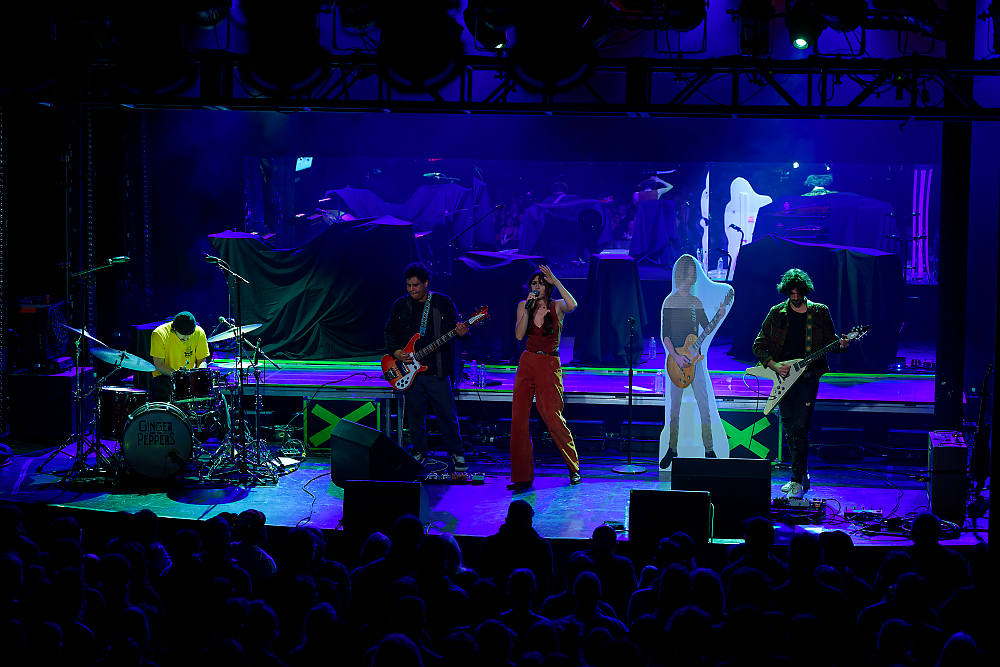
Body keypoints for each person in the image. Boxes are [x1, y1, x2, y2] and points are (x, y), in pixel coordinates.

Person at [753, 269, 849, 499]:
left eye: (798, 293)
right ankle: (801, 475)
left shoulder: (820, 312)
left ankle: (796, 480)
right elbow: (759, 344)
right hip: (784, 378)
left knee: (799, 429)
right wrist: (774, 366)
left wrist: (842, 345)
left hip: (808, 377)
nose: (795, 297)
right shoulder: (777, 313)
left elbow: (830, 342)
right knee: (789, 430)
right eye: (791, 293)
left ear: (805, 291)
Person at [384, 262, 469, 471]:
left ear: (426, 283)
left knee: (447, 416)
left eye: (415, 285)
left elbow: (458, 331)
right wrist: (396, 352)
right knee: (415, 417)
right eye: (408, 286)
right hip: (410, 372)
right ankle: (419, 452)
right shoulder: (400, 305)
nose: (412, 290)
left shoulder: (442, 302)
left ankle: (456, 453)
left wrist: (464, 333)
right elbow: (389, 332)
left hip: (437, 371)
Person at [510, 265, 580, 491]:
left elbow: (573, 305)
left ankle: (574, 467)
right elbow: (519, 335)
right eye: (534, 283)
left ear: (548, 286)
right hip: (528, 361)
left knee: (552, 416)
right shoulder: (523, 305)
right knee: (519, 419)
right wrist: (528, 310)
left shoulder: (556, 306)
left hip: (549, 363)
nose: (537, 286)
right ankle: (521, 477)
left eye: (541, 283)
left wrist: (557, 280)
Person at [659, 255, 730, 469]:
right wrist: (677, 356)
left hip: (695, 361)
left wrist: (719, 315)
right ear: (683, 274)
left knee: (704, 405)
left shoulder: (696, 302)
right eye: (690, 273)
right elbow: (666, 335)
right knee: (674, 410)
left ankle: (709, 449)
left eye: (693, 273)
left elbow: (706, 328)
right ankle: (672, 449)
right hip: (676, 361)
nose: (693, 277)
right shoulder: (669, 302)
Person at [149, 311, 210, 402]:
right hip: (165, 376)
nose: (186, 338)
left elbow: (201, 360)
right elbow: (159, 365)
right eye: (182, 335)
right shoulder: (159, 334)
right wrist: (180, 377)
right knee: (163, 391)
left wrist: (200, 373)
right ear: (174, 328)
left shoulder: (199, 332)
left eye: (189, 335)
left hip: (189, 376)